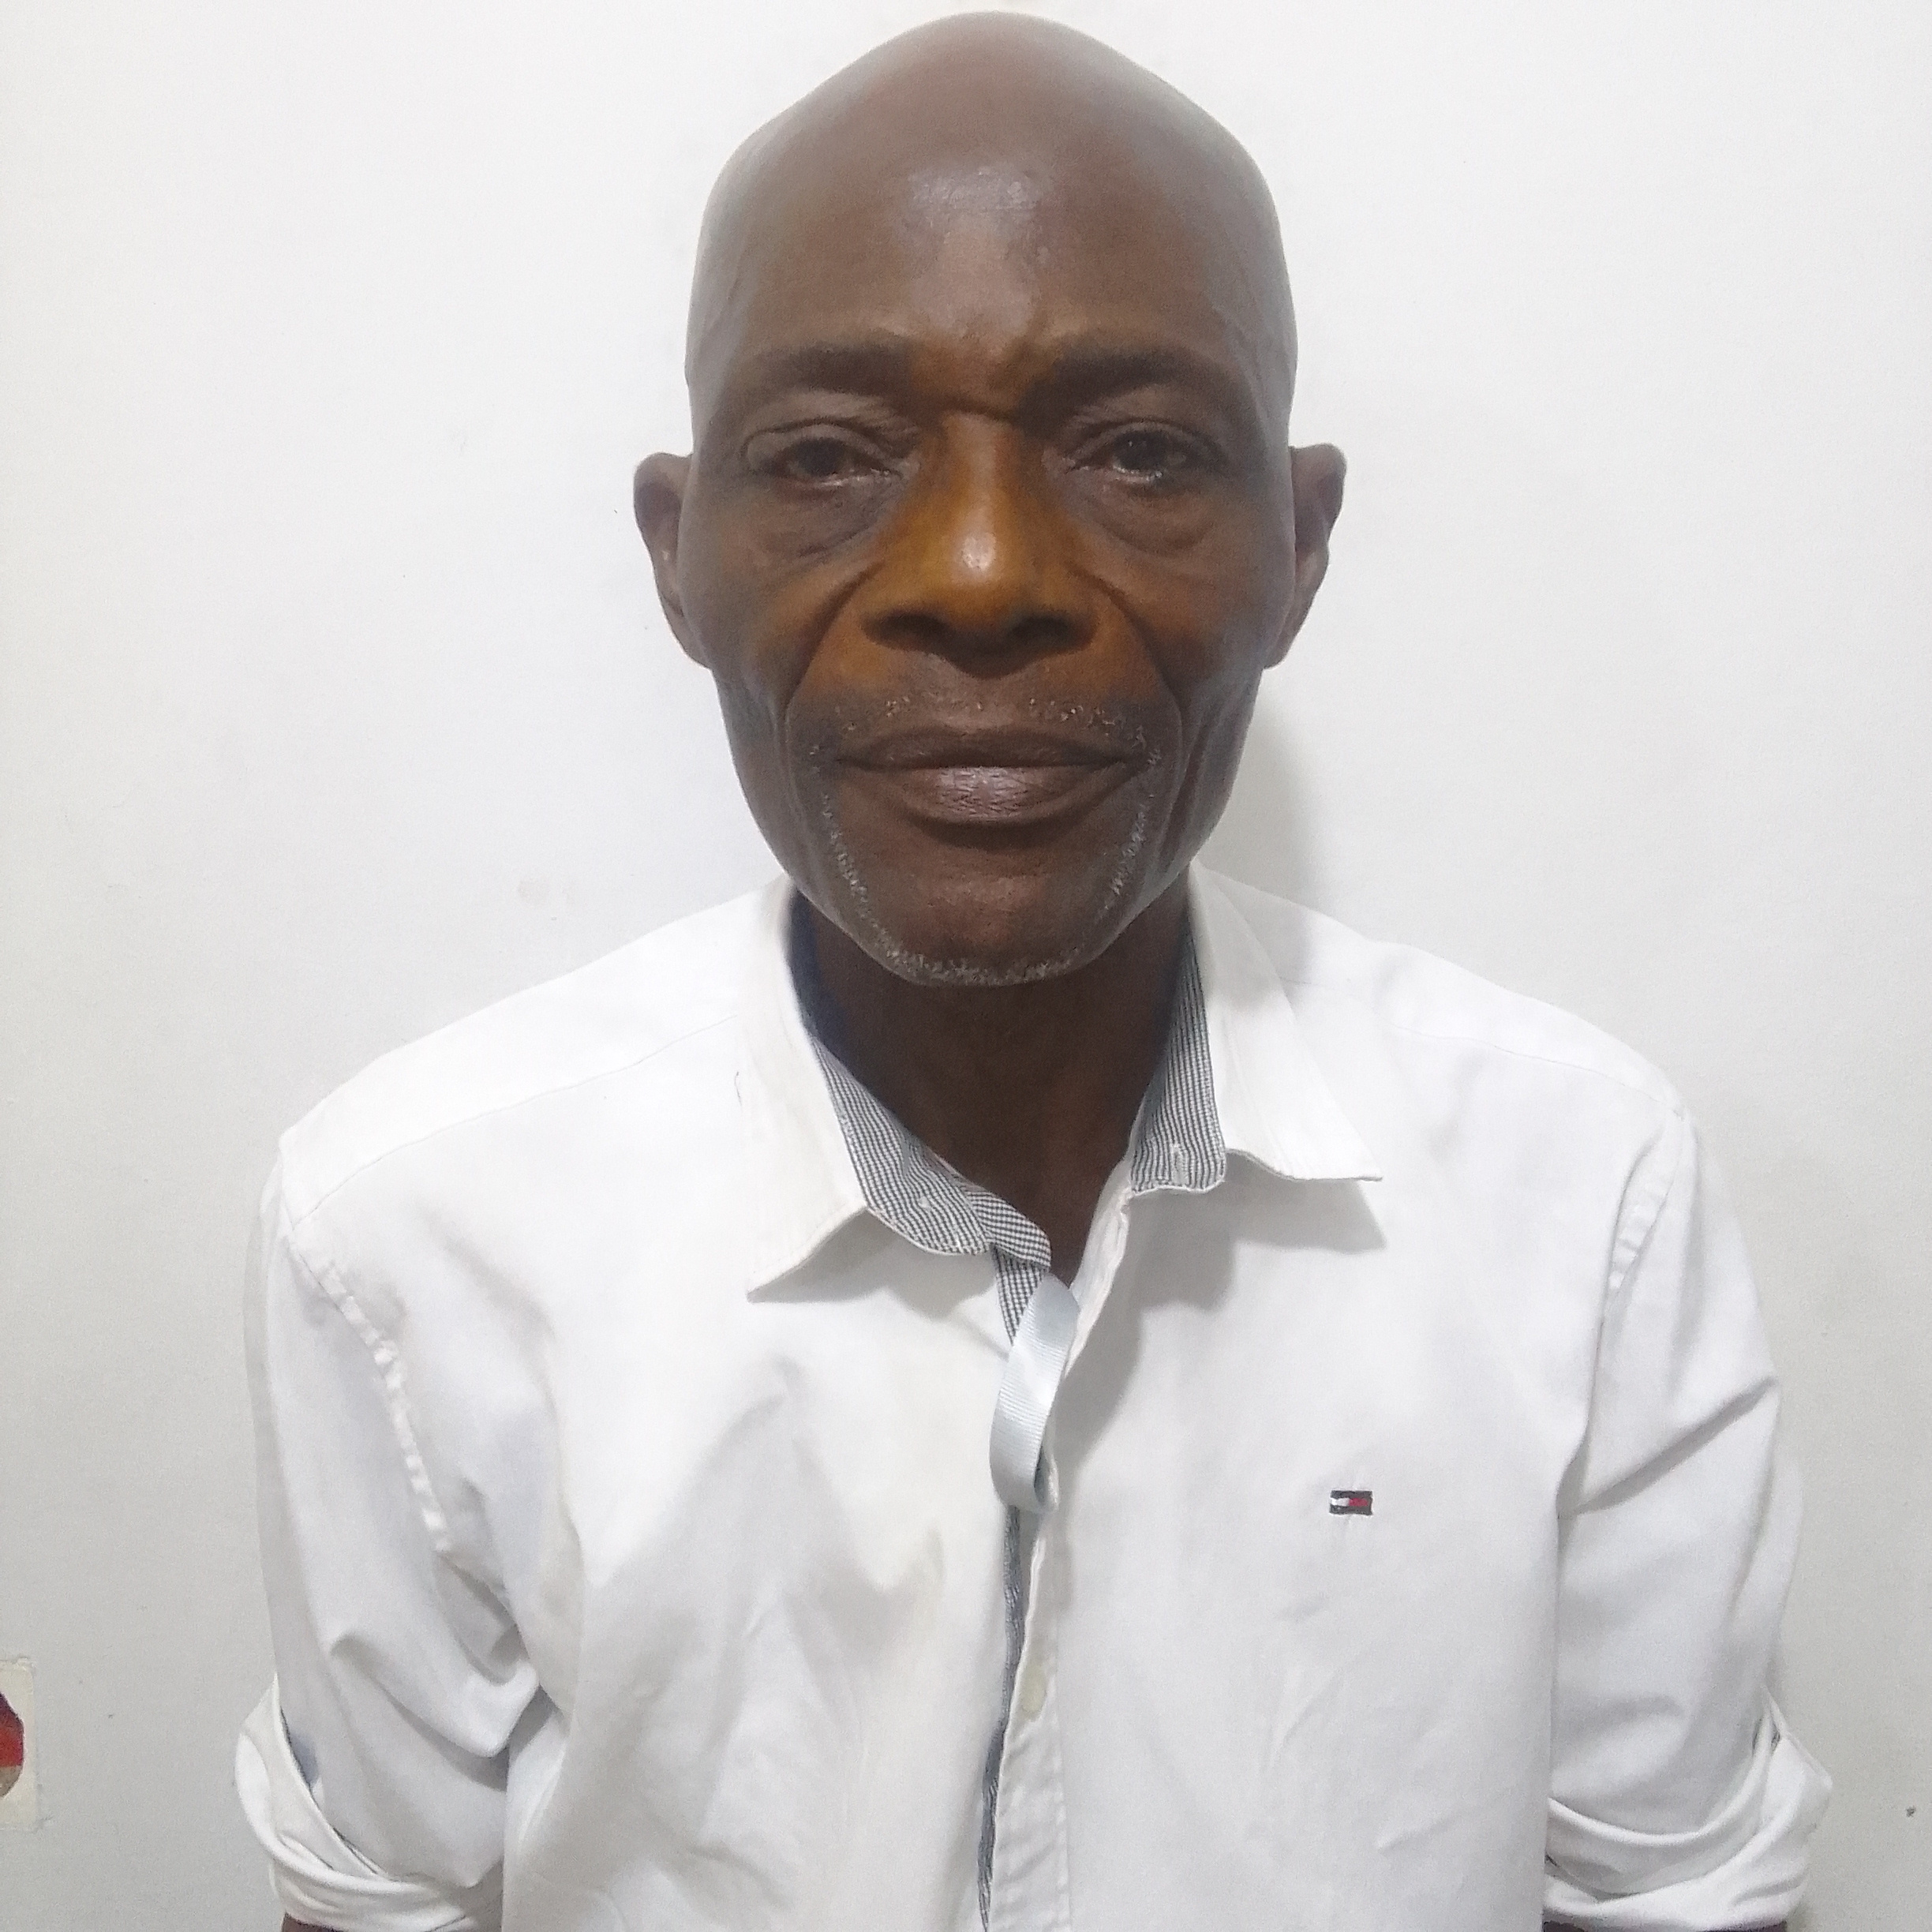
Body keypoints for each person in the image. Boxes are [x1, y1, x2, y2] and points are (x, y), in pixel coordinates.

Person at [235, 15, 1829, 1930]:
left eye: (1140, 451)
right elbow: (385, 1898)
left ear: (1298, 544)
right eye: (827, 457)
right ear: (679, 556)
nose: (982, 574)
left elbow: (1672, 1895)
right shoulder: (414, 1237)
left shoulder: (1581, 1201)